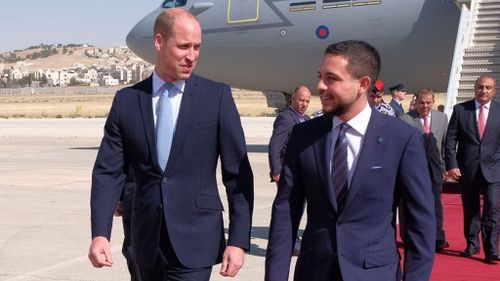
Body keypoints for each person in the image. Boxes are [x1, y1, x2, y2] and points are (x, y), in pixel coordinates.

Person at [88, 8, 254, 280]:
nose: (192, 56)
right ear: (159, 42)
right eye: (183, 46)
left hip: (196, 240)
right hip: (143, 242)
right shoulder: (127, 101)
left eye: (197, 47)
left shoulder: (216, 97)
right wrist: (100, 234)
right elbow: (109, 172)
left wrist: (237, 240)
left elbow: (237, 176)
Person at [265, 40, 435, 281]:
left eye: (331, 78)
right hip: (314, 272)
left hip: (375, 273)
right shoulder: (304, 136)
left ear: (362, 84)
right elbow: (285, 213)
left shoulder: (402, 139)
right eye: (320, 76)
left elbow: (421, 224)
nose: (320, 86)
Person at [444, 74, 500, 264]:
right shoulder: (461, 110)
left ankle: (492, 249)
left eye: (488, 88)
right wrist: (452, 164)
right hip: (467, 170)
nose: (483, 91)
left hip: (494, 169)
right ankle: (472, 244)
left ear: (494, 90)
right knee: (471, 209)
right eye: (480, 87)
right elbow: (451, 140)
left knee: (492, 208)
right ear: (475, 88)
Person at [400, 88, 449, 252]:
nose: (425, 106)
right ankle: (408, 236)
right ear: (416, 102)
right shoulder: (405, 119)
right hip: (412, 171)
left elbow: (443, 145)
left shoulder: (442, 118)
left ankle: (438, 238)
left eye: (428, 102)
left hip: (435, 170)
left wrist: (445, 168)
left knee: (436, 204)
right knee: (410, 203)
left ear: (433, 102)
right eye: (422, 102)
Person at [268, 85, 312, 183]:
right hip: (288, 175)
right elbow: (275, 147)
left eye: (307, 101)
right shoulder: (285, 119)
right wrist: (276, 173)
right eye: (301, 100)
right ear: (293, 99)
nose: (304, 104)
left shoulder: (307, 119)